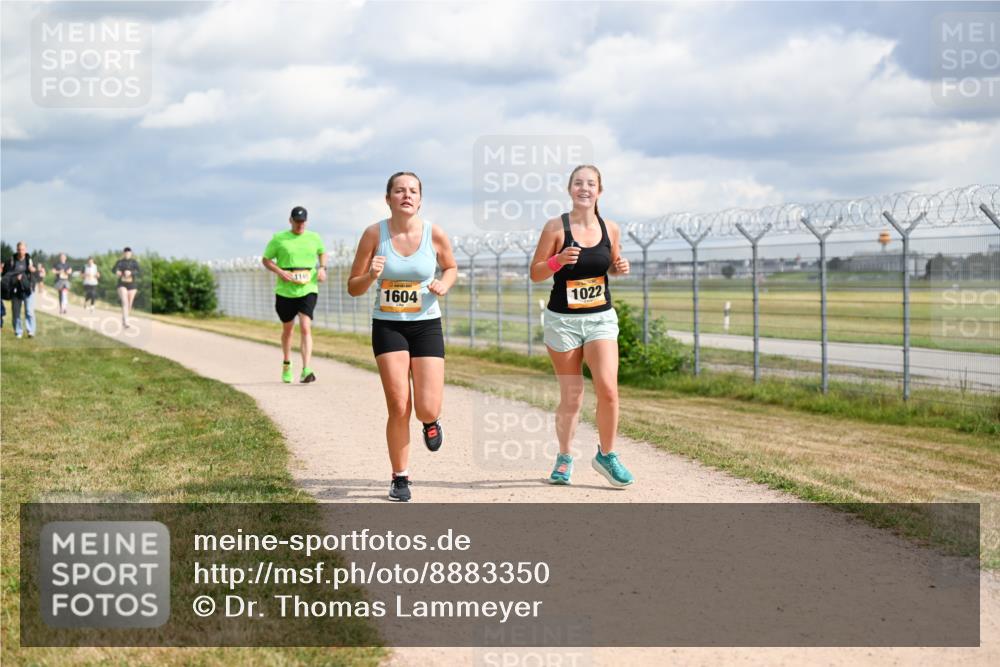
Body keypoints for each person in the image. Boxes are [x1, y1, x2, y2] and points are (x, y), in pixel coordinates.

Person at [348, 172, 457, 502]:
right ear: (388, 198)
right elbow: (353, 287)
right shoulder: (374, 234)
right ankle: (400, 477)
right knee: (398, 405)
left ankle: (431, 421)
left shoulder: (434, 233)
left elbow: (451, 268)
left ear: (420, 200)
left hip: (426, 325)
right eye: (399, 191)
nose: (406, 195)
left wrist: (443, 284)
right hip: (388, 325)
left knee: (426, 407)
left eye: (413, 191)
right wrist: (371, 275)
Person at [529, 165, 634, 487]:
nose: (584, 188)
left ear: (599, 191)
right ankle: (564, 457)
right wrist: (557, 261)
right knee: (572, 395)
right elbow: (535, 273)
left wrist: (619, 267)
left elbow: (609, 265)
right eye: (578, 183)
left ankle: (607, 455)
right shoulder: (555, 227)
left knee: (609, 389)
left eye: (590, 184)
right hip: (563, 321)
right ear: (569, 189)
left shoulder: (610, 228)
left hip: (600, 317)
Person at [261, 206, 327, 383]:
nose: (300, 225)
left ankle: (306, 369)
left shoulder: (314, 237)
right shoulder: (279, 238)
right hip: (285, 291)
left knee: (305, 326)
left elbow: (322, 252)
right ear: (290, 221)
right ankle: (287, 363)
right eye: (297, 221)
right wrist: (280, 271)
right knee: (288, 329)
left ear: (306, 221)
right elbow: (266, 260)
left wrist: (322, 268)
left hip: (308, 288)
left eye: (303, 221)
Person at [2, 241, 37, 338]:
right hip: (15, 289)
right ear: (16, 249)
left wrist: (33, 270)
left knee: (29, 311)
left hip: (28, 289)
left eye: (23, 249)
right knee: (16, 312)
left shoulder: (29, 260)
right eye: (19, 249)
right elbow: (5, 275)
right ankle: (18, 332)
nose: (21, 251)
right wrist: (15, 279)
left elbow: (36, 272)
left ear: (25, 250)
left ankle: (31, 331)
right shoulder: (11, 261)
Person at [112, 247, 140, 328]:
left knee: (129, 304)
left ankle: (124, 318)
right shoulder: (120, 262)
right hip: (122, 284)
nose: (127, 254)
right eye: (126, 253)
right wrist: (117, 271)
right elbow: (113, 269)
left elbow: (139, 271)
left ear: (131, 253)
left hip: (132, 285)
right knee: (125, 302)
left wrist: (131, 272)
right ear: (123, 253)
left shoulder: (134, 262)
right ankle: (126, 322)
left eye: (128, 253)